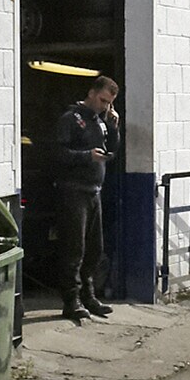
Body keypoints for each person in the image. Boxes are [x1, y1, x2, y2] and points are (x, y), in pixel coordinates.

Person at [57, 75, 120, 323]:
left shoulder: (101, 122)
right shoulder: (71, 119)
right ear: (92, 93)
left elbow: (112, 153)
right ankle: (71, 301)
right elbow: (57, 153)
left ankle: (88, 295)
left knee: (95, 248)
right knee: (75, 248)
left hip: (94, 190)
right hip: (73, 190)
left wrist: (114, 128)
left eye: (109, 103)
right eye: (103, 100)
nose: (104, 106)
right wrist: (86, 157)